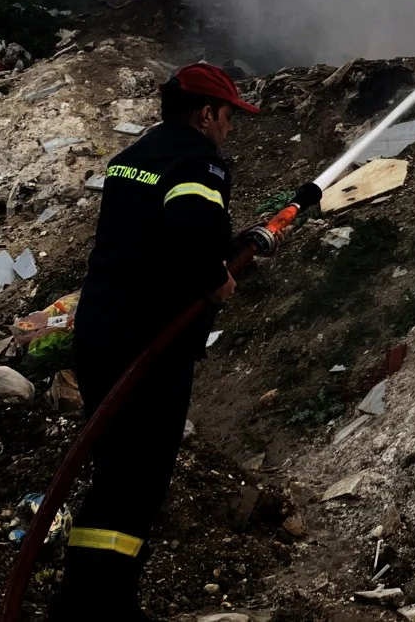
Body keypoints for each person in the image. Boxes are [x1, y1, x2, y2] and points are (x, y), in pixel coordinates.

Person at [49, 61, 258, 619]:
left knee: (115, 473)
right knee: (137, 481)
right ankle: (104, 610)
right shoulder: (199, 159)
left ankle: (84, 602)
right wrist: (218, 282)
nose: (229, 128)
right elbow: (190, 232)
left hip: (103, 330)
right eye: (228, 117)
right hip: (149, 342)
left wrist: (229, 246)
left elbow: (151, 237)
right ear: (207, 113)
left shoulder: (133, 159)